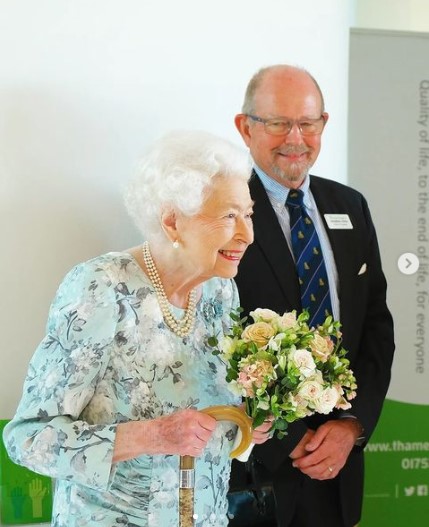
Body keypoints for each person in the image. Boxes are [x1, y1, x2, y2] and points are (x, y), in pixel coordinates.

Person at [3, 129, 273, 527]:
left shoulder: (220, 291)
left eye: (248, 214)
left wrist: (246, 423)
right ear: (171, 222)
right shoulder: (101, 288)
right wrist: (152, 436)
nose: (247, 235)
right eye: (228, 216)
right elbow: (28, 439)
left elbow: (203, 426)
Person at [230, 65, 395, 527]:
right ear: (245, 128)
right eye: (278, 122)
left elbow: (377, 328)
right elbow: (206, 341)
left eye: (307, 123)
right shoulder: (220, 210)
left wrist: (352, 426)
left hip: (339, 468)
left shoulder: (351, 206)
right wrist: (287, 437)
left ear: (324, 124)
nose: (295, 138)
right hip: (256, 471)